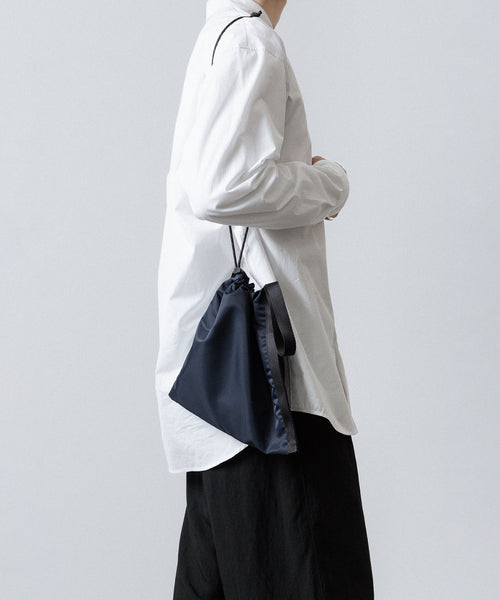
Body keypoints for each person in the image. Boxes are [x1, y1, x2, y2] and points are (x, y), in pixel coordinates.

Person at [155, 0, 375, 597]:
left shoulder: (217, 39)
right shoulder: (249, 41)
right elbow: (223, 187)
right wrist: (329, 183)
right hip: (273, 393)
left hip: (224, 390)